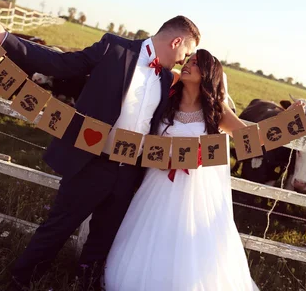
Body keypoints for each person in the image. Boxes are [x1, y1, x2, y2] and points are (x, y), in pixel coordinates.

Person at [0, 14, 201, 290]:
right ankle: (19, 281)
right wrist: (4, 38)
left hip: (129, 171)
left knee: (104, 239)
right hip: (91, 162)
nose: (183, 60)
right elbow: (58, 63)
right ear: (176, 41)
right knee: (58, 227)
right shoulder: (114, 48)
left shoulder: (167, 79)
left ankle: (87, 284)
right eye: (185, 53)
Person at [103, 49, 259, 291]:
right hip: (158, 181)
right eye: (189, 60)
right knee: (152, 232)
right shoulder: (167, 100)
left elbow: (251, 139)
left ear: (207, 74)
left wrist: (293, 119)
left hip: (197, 189)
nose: (188, 64)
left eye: (196, 63)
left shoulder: (216, 111)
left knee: (191, 239)